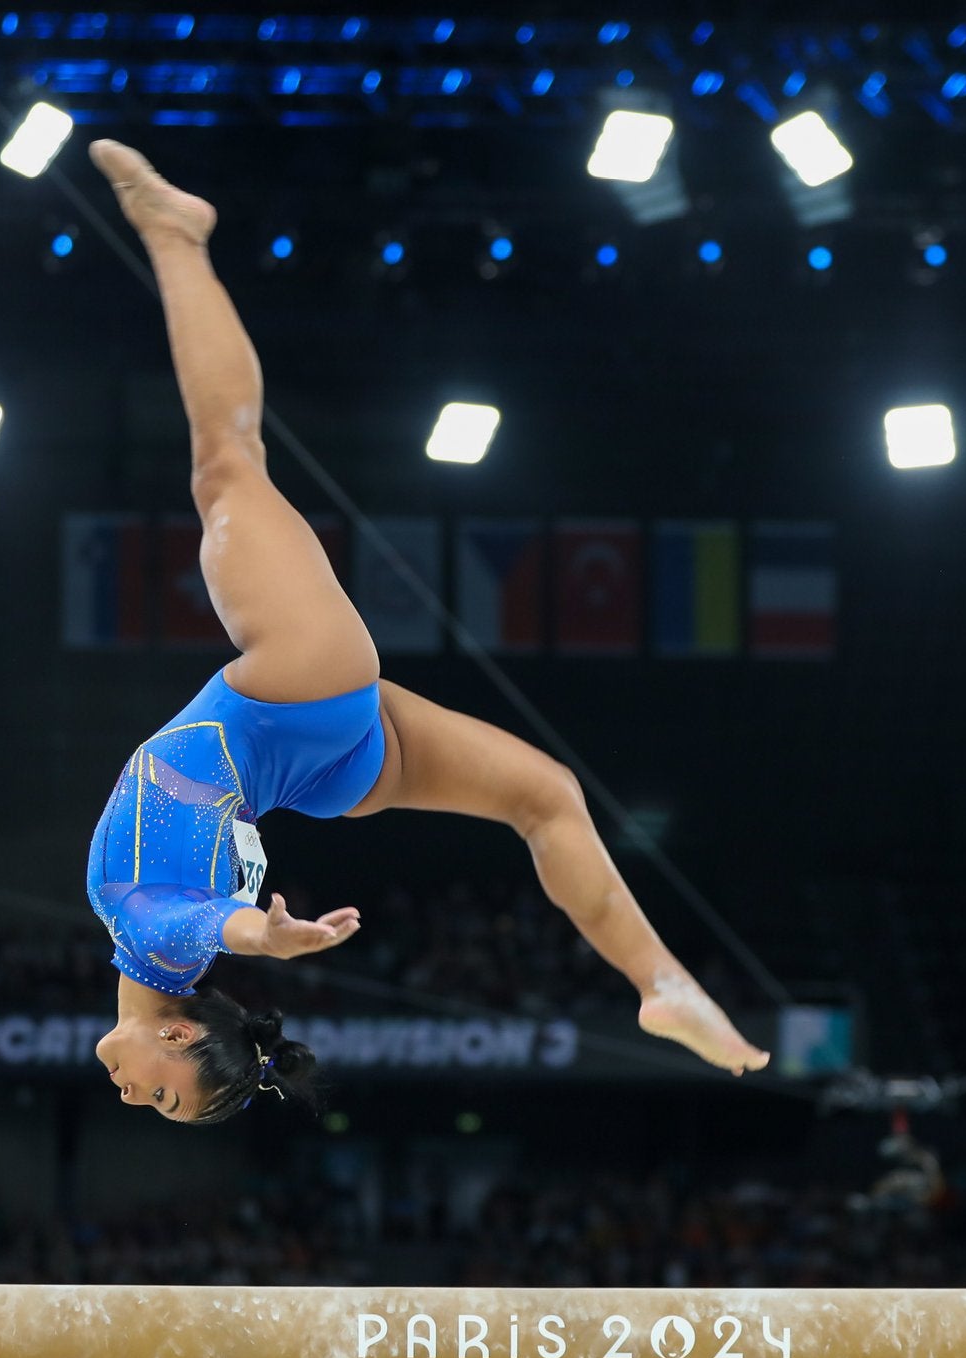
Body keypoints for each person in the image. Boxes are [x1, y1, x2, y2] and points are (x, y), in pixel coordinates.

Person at [84, 141, 771, 1124]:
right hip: (294, 701)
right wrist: (261, 940)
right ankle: (175, 238)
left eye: (157, 1107)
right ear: (180, 1031)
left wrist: (251, 937)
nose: (134, 1097)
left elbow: (199, 914)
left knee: (545, 800)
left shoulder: (150, 946)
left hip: (318, 773)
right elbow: (195, 918)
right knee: (228, 465)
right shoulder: (155, 944)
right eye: (162, 1095)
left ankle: (662, 980)